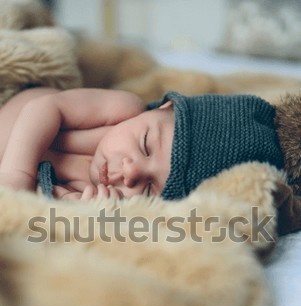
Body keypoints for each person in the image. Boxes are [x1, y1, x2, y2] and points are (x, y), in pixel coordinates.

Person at [0, 86, 286, 201]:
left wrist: (73, 206)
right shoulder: (122, 109)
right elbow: (46, 107)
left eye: (150, 189)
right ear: (162, 108)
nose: (131, 173)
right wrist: (17, 174)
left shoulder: (109, 196)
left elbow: (40, 204)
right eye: (146, 143)